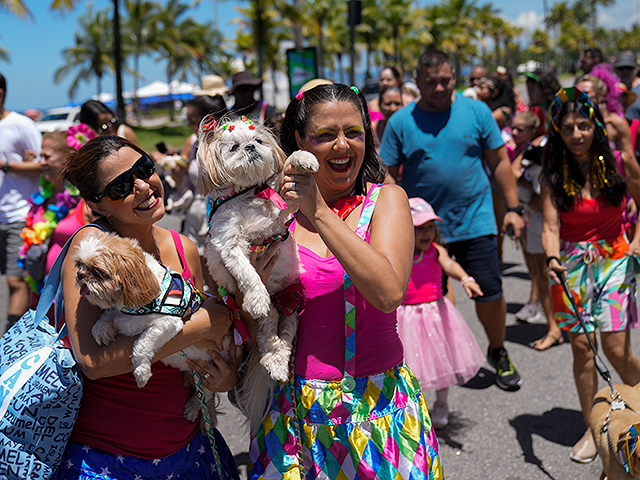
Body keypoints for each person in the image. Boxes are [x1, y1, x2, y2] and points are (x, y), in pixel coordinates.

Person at [244, 83, 442, 479]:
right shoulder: (271, 216)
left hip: (379, 413)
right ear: (298, 141)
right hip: (292, 418)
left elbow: (388, 293)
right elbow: (249, 316)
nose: (342, 146)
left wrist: (317, 212)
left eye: (353, 133)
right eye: (325, 135)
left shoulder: (387, 201)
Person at [50, 135, 239, 479]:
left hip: (188, 452)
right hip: (108, 460)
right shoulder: (92, 249)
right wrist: (202, 325)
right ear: (98, 204)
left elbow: (197, 356)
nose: (142, 186)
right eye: (121, 186)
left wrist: (223, 378)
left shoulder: (185, 248)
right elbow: (93, 361)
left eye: (144, 169)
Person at [380, 49, 525, 392]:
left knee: (489, 291)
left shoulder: (476, 112)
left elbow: (500, 163)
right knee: (421, 299)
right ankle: (427, 362)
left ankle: (498, 350)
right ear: (417, 82)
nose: (440, 88)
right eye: (431, 82)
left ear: (454, 78)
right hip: (423, 230)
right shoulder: (401, 121)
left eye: (445, 80)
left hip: (475, 219)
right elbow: (386, 175)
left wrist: (515, 210)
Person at [540, 87, 640, 464]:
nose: (577, 134)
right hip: (569, 264)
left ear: (595, 125)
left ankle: (638, 404)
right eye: (568, 128)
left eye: (583, 125)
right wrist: (551, 257)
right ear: (558, 132)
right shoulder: (553, 174)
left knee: (615, 348)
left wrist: (636, 244)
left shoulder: (619, 161)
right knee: (583, 349)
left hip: (615, 256)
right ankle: (593, 426)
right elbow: (550, 226)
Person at [397, 197, 485, 429]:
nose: (426, 233)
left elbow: (450, 265)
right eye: (419, 229)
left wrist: (465, 278)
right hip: (405, 315)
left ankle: (441, 403)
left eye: (429, 227)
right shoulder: (400, 252)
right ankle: (413, 406)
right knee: (409, 365)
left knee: (441, 362)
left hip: (435, 312)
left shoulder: (437, 251)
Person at [18, 130, 95, 303]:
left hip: (74, 298)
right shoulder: (43, 195)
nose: (41, 162)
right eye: (40, 156)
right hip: (41, 295)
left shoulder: (86, 200)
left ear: (68, 157)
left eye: (47, 157)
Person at [0, 71, 43, 332]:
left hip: (18, 214)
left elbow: (43, 165)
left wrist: (6, 165)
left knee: (17, 281)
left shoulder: (21, 124)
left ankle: (9, 340)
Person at [179, 94, 227, 291]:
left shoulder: (224, 141)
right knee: (201, 270)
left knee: (222, 272)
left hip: (220, 210)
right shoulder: (194, 141)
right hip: (196, 213)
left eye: (193, 119)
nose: (189, 123)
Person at [523, 68, 562, 135]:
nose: (529, 93)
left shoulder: (558, 109)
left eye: (532, 90)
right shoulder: (534, 111)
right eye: (528, 90)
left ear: (545, 89)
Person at [615, 51, 640, 121]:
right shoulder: (610, 91)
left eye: (629, 68)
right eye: (621, 68)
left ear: (636, 69)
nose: (625, 71)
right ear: (614, 69)